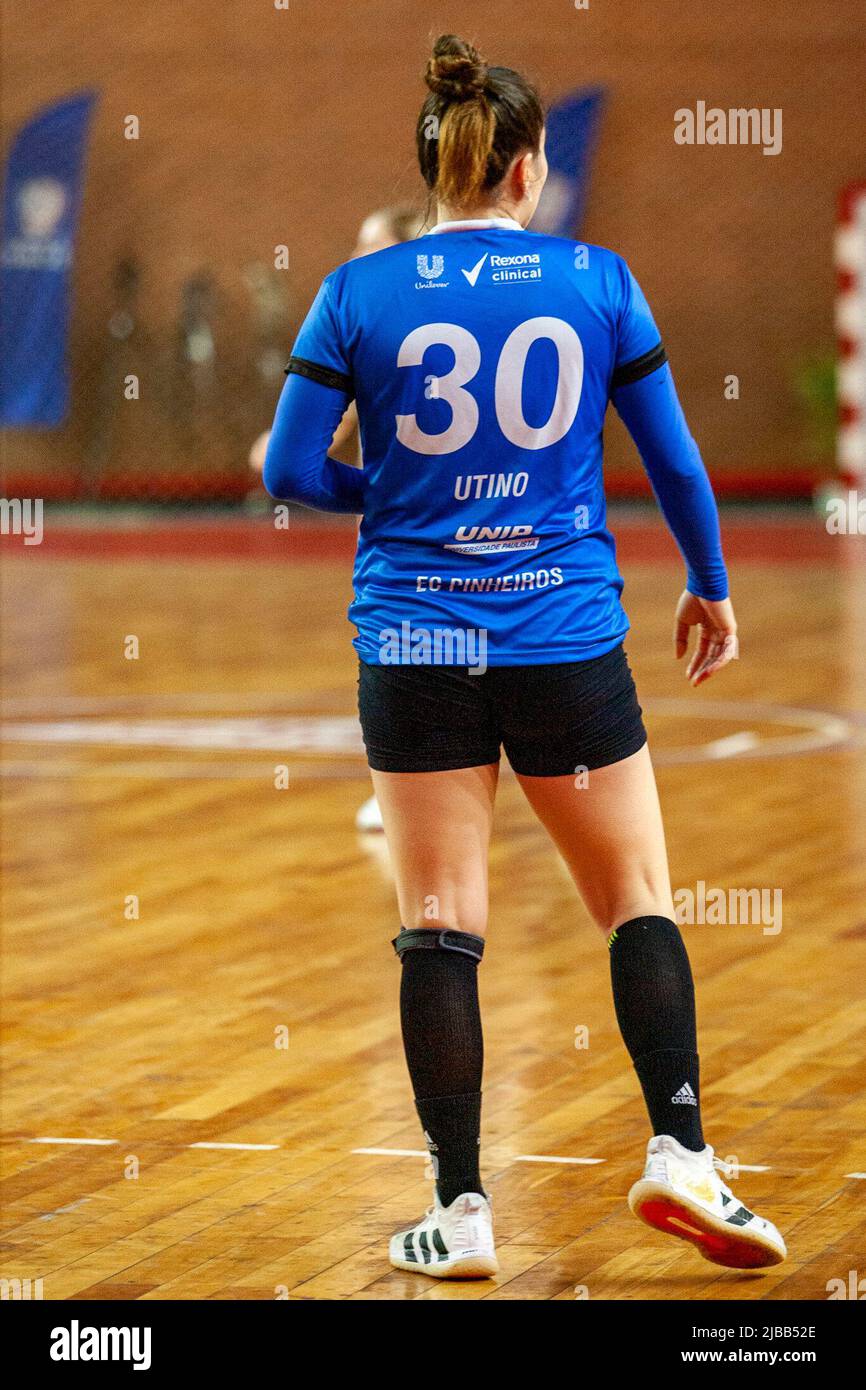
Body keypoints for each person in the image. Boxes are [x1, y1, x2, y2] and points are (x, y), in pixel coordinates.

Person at [262, 34, 787, 1280]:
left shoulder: (357, 289)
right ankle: (678, 1153)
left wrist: (381, 491)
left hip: (414, 638)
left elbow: (286, 469)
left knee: (437, 926)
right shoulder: (597, 280)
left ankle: (459, 1212)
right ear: (527, 169)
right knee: (636, 900)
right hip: (562, 636)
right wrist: (708, 584)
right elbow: (670, 463)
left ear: (436, 169)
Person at [251, 206, 423, 834]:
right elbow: (333, 426)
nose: (356, 257)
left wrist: (378, 493)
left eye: (370, 246)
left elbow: (296, 466)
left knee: (411, 656)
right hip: (485, 526)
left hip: (412, 535)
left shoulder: (370, 317)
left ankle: (415, 788)